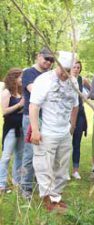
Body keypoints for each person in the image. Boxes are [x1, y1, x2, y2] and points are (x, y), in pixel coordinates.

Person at [30, 51, 79, 212]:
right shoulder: (44, 80)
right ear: (57, 65)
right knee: (44, 166)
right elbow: (34, 106)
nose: (65, 73)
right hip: (47, 132)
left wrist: (72, 126)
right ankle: (47, 199)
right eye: (63, 69)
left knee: (62, 167)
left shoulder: (73, 82)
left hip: (64, 132)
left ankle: (56, 197)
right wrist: (35, 130)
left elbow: (75, 105)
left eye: (68, 70)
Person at [21, 47, 54, 199]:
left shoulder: (49, 75)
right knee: (29, 153)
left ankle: (40, 183)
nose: (48, 62)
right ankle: (26, 187)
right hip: (31, 118)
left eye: (52, 60)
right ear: (38, 56)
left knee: (44, 153)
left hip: (47, 118)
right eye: (46, 58)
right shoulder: (29, 72)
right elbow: (34, 90)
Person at [0, 69, 24, 193]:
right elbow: (4, 111)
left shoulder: (20, 92)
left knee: (20, 156)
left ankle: (16, 182)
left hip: (21, 129)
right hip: (10, 129)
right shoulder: (6, 92)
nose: (22, 79)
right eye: (20, 77)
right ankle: (1, 185)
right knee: (6, 157)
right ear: (13, 78)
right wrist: (19, 105)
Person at [70, 61, 89, 179]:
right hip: (67, 114)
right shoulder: (65, 79)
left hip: (80, 114)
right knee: (65, 143)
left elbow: (92, 91)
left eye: (78, 67)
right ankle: (61, 170)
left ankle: (75, 170)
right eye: (74, 67)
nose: (76, 69)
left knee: (77, 142)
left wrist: (85, 96)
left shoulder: (82, 80)